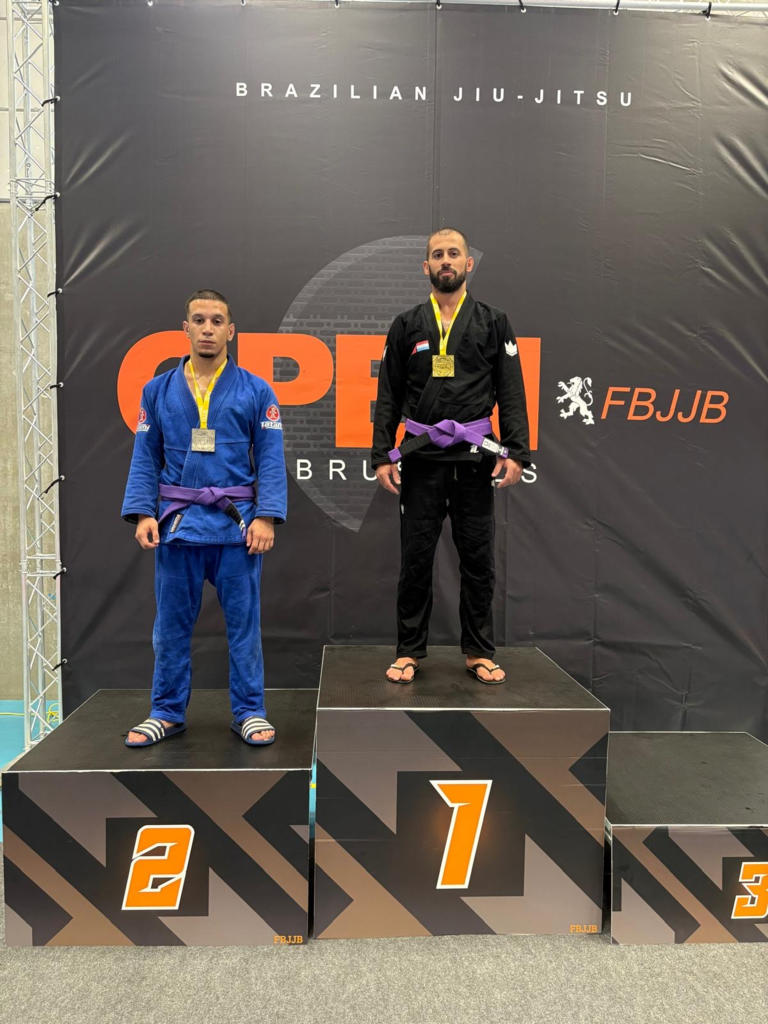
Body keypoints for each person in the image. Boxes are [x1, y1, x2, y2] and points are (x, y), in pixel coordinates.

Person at [121, 289, 287, 746]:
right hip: (178, 524)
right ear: (186, 328)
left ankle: (250, 710)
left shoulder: (256, 390)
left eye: (216, 321)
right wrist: (143, 512)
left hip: (236, 525)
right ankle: (166, 711)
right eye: (199, 320)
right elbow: (145, 456)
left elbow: (270, 458)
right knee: (170, 629)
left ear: (231, 331)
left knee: (244, 627)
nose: (208, 329)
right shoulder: (157, 390)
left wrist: (267, 516)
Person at [372, 228, 530, 685]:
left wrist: (516, 451)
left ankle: (479, 651)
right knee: (416, 559)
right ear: (426, 266)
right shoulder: (406, 325)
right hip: (421, 457)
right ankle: (409, 650)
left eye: (453, 254)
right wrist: (382, 454)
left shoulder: (493, 322)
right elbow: (388, 394)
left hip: (474, 458)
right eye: (438, 254)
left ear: (467, 264)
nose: (446, 260)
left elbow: (511, 391)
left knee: (478, 560)